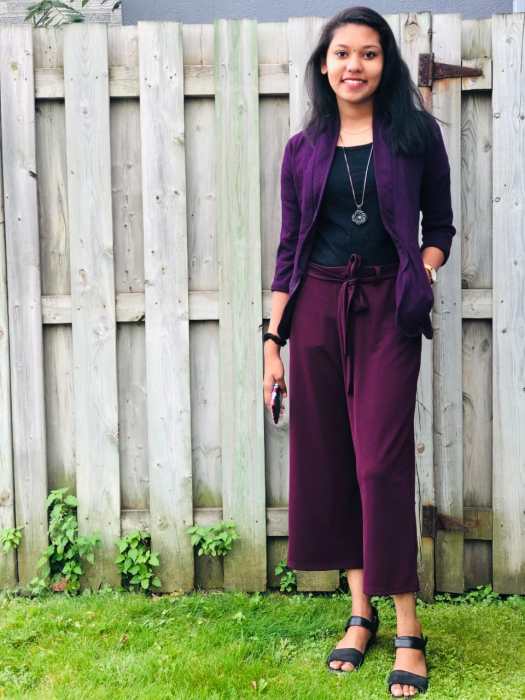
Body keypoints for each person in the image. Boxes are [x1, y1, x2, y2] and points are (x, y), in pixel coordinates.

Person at [262, 6, 456, 698]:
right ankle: (358, 611)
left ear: (385, 64)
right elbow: (289, 250)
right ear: (324, 66)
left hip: (386, 310)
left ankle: (408, 626)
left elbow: (441, 225)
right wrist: (272, 342)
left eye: (369, 54)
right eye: (342, 53)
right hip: (316, 309)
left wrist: (422, 269)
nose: (354, 65)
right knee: (334, 462)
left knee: (380, 463)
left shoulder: (416, 136)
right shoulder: (302, 149)